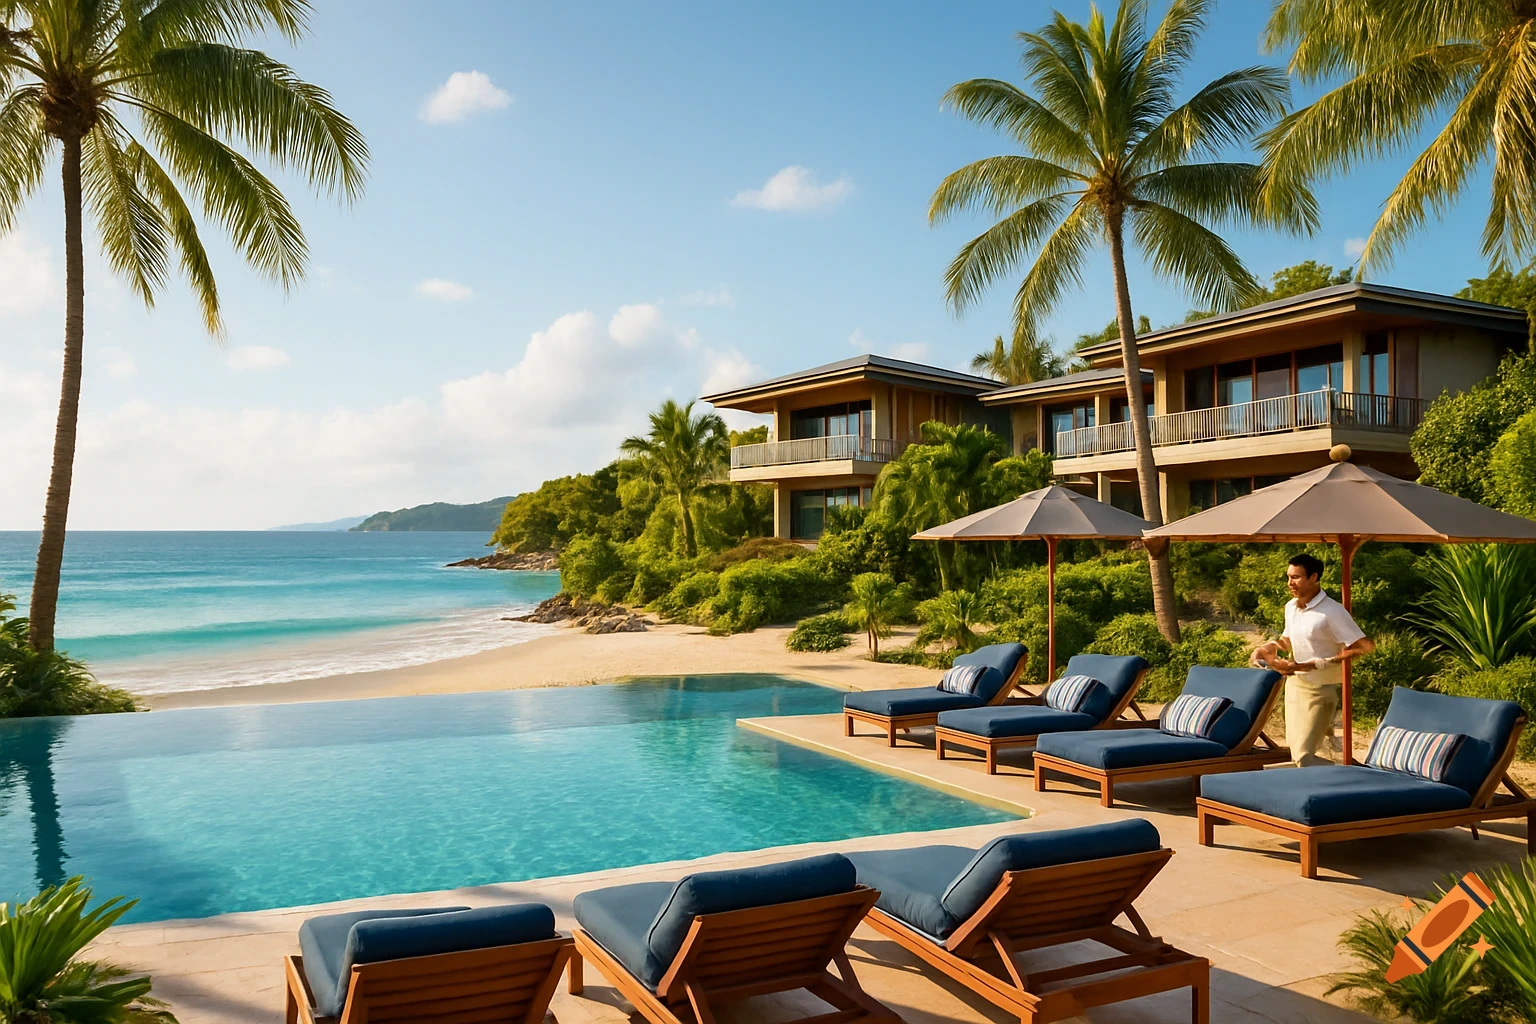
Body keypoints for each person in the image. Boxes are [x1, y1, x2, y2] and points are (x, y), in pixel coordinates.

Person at [1250, 553, 1375, 767]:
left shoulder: (1331, 612)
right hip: (1295, 686)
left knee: (1304, 756)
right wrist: (1267, 647)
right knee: (1296, 752)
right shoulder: (1291, 607)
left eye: (1296, 577)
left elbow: (1364, 647)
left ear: (1314, 577)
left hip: (1322, 689)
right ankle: (1339, 775)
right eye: (1288, 577)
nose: (1290, 583)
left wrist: (1317, 663)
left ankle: (1353, 776)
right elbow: (1287, 640)